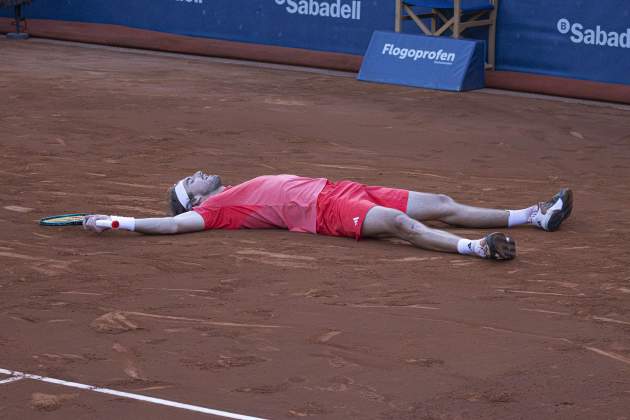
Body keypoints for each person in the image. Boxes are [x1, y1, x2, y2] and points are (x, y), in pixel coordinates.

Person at [83, 172, 573, 260]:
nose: (197, 174)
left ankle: (533, 216)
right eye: (189, 181)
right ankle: (476, 248)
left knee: (441, 203)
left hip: (341, 187)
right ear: (193, 201)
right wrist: (118, 221)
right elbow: (168, 226)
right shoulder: (215, 212)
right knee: (403, 227)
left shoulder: (228, 189)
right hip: (328, 211)